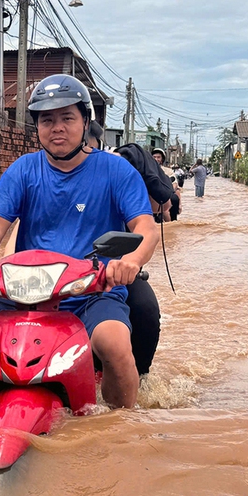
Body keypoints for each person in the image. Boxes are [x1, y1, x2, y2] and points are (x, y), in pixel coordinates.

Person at [0, 75, 159, 408]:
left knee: (116, 346)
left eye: (67, 118)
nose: (57, 127)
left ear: (86, 121)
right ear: (38, 127)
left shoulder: (116, 171)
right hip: (25, 293)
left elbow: (145, 226)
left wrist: (131, 261)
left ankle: (122, 431)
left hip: (91, 292)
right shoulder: (22, 170)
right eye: (47, 120)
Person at [90, 123, 172, 379]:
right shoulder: (46, 172)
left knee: (145, 309)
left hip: (111, 264)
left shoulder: (117, 171)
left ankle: (140, 376)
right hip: (57, 270)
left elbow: (153, 221)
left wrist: (131, 260)